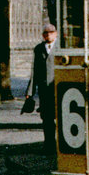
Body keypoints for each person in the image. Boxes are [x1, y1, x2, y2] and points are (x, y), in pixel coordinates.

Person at [24, 24, 57, 155]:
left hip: (58, 88)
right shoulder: (38, 49)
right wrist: (30, 92)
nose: (48, 35)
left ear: (56, 34)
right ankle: (49, 145)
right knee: (47, 119)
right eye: (45, 33)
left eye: (51, 33)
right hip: (45, 90)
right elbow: (35, 71)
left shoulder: (61, 47)